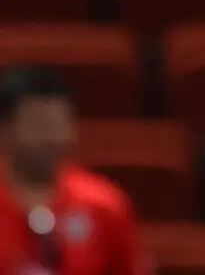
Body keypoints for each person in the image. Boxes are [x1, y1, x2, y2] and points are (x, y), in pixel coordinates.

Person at [0, 66, 149, 275]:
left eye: (58, 125)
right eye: (38, 125)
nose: (50, 138)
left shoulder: (104, 204)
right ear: (5, 129)